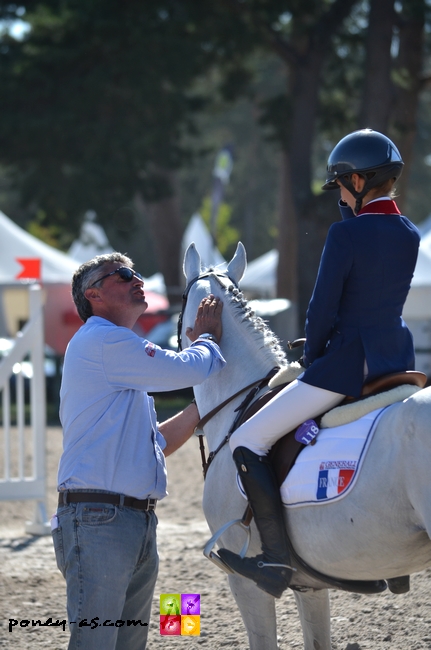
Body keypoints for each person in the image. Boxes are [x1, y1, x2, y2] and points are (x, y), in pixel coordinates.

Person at [217, 129, 421, 599]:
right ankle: (394, 563)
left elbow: (323, 308)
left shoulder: (346, 232)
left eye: (343, 185)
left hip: (349, 367)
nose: (341, 195)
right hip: (395, 360)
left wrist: (314, 358)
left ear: (357, 180)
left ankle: (274, 558)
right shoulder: (409, 232)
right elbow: (372, 302)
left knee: (247, 439)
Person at [52, 252, 224, 650]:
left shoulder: (112, 351)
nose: (137, 279)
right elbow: (186, 369)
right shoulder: (103, 339)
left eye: (136, 272)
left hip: (121, 519)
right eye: (124, 274)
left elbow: (157, 443)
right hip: (103, 519)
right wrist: (209, 337)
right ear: (93, 294)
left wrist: (202, 408)